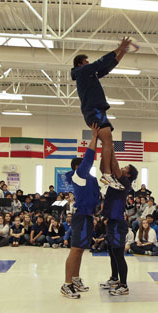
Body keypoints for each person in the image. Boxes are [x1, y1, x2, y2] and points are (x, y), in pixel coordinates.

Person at [71, 37, 133, 190]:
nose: (88, 63)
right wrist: (119, 48)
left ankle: (105, 171)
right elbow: (100, 62)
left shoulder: (89, 75)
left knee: (108, 143)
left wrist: (123, 52)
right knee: (107, 140)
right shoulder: (82, 71)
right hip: (93, 110)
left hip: (97, 110)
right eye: (86, 61)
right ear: (80, 63)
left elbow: (107, 68)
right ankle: (106, 174)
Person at [61, 124, 101, 299]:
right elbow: (90, 157)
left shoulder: (90, 179)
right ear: (78, 167)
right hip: (80, 216)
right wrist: (94, 137)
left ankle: (75, 279)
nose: (88, 166)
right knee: (75, 249)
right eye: (84, 165)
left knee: (80, 250)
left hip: (87, 216)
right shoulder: (79, 175)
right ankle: (66, 284)